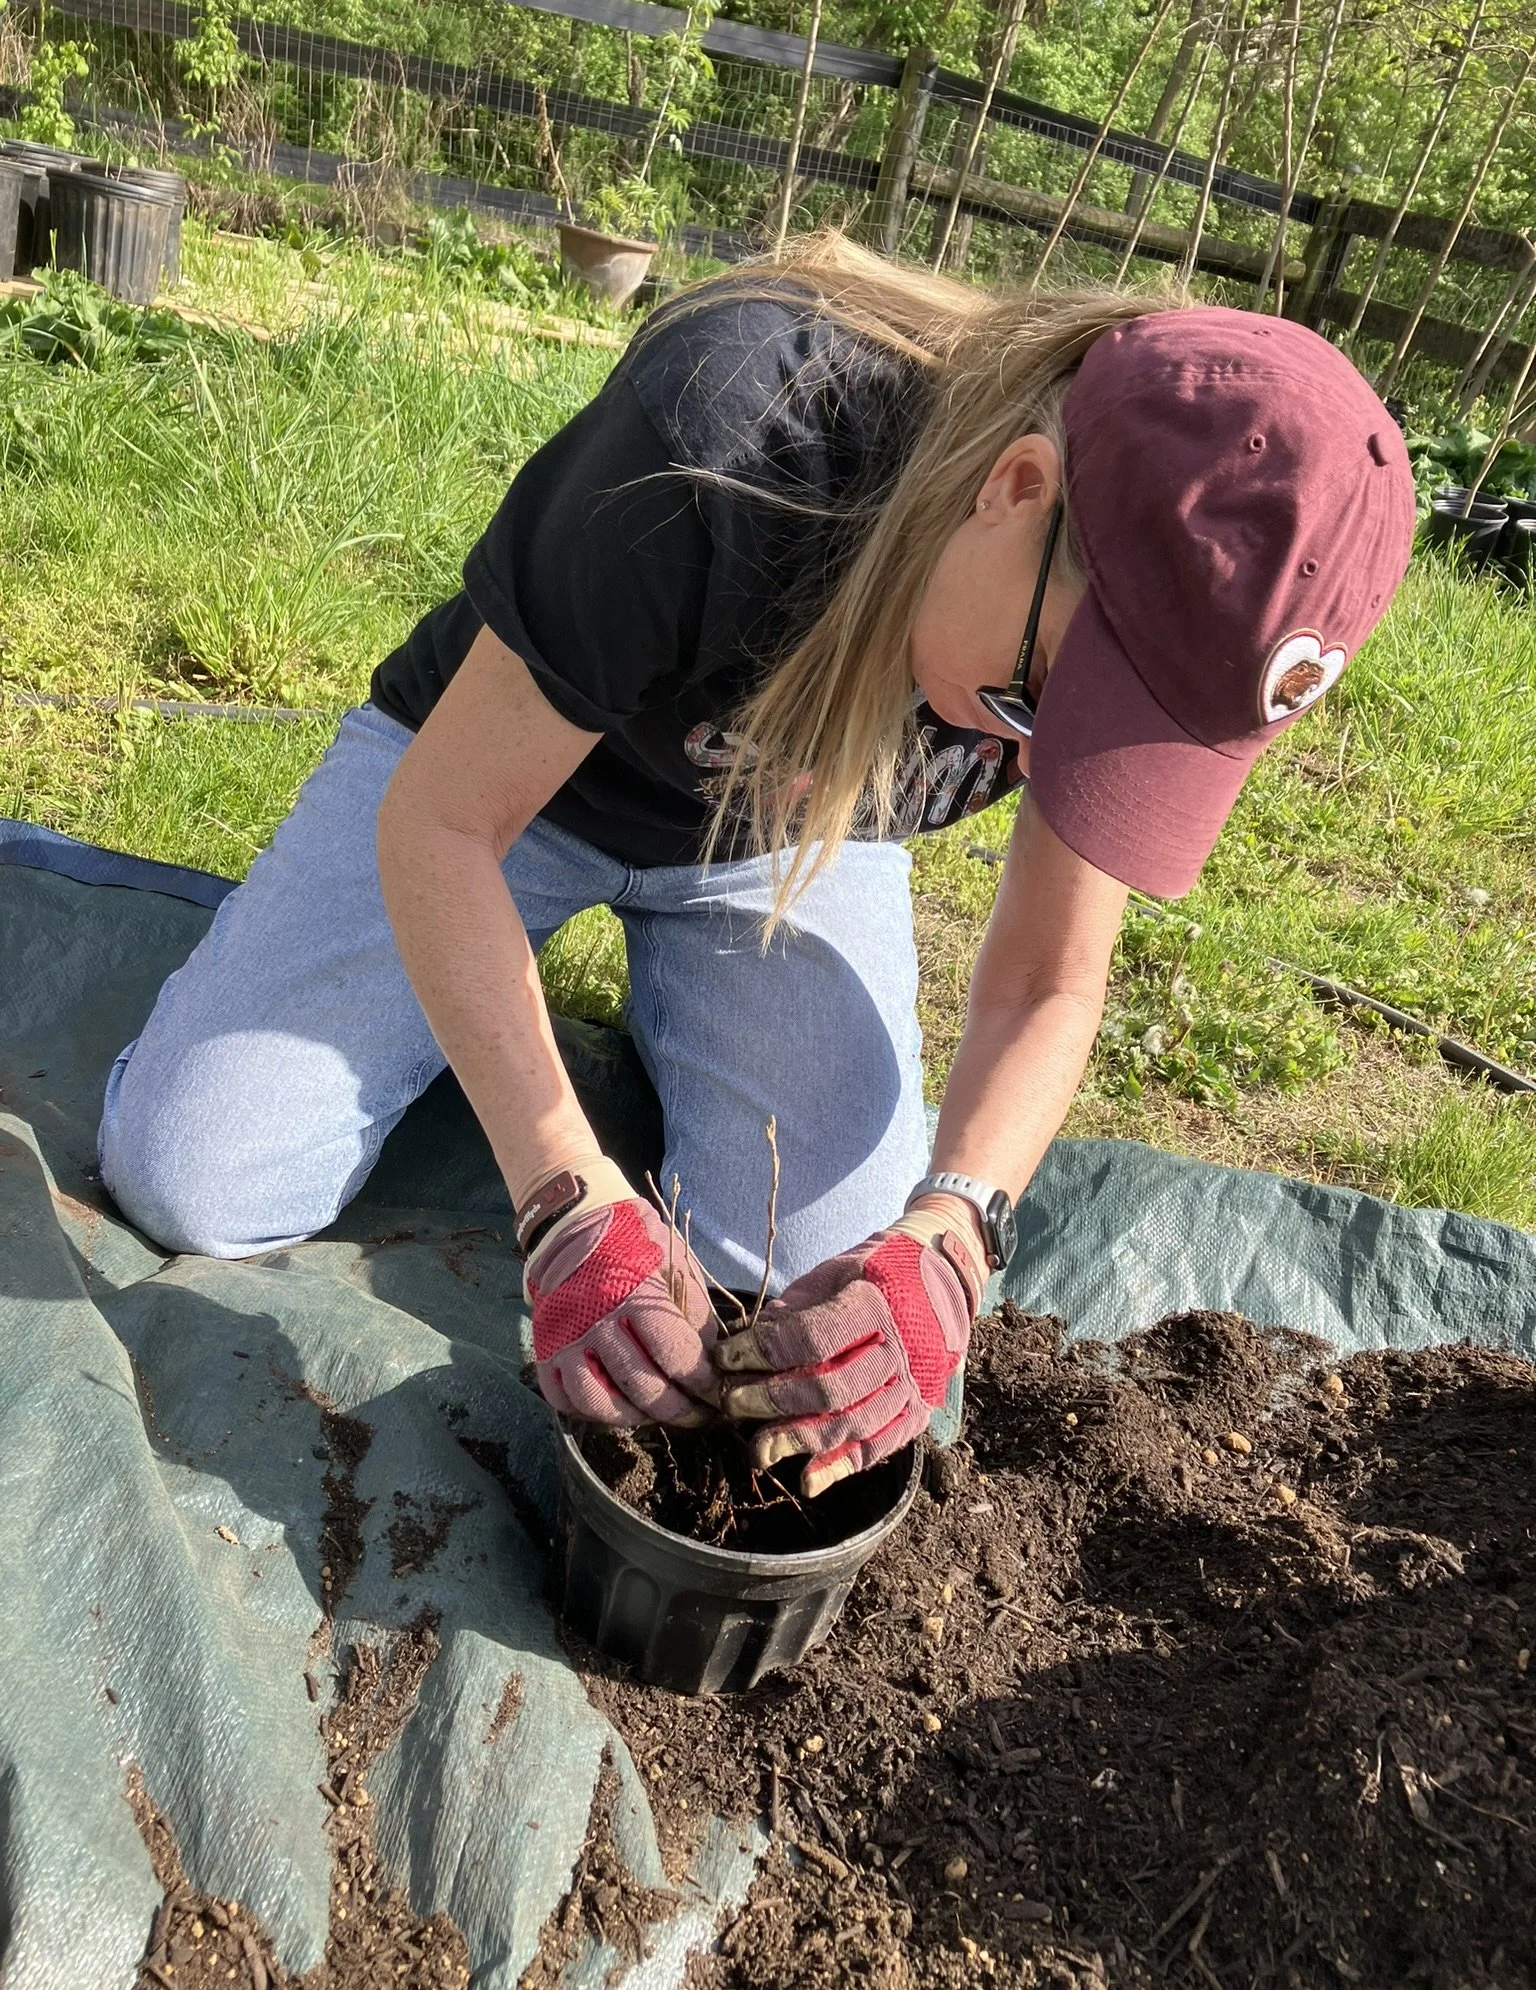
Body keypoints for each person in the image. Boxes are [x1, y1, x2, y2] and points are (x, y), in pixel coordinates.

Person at [98, 233, 1416, 1498]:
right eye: (1034, 707)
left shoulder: (1098, 631)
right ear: (1014, 488)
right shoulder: (728, 432)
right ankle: (495, 1060)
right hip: (512, 793)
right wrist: (560, 1187)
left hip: (780, 841)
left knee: (816, 1293)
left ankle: (545, 1052)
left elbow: (1049, 980)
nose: (1033, 751)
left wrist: (954, 1231)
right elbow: (443, 825)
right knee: (199, 1174)